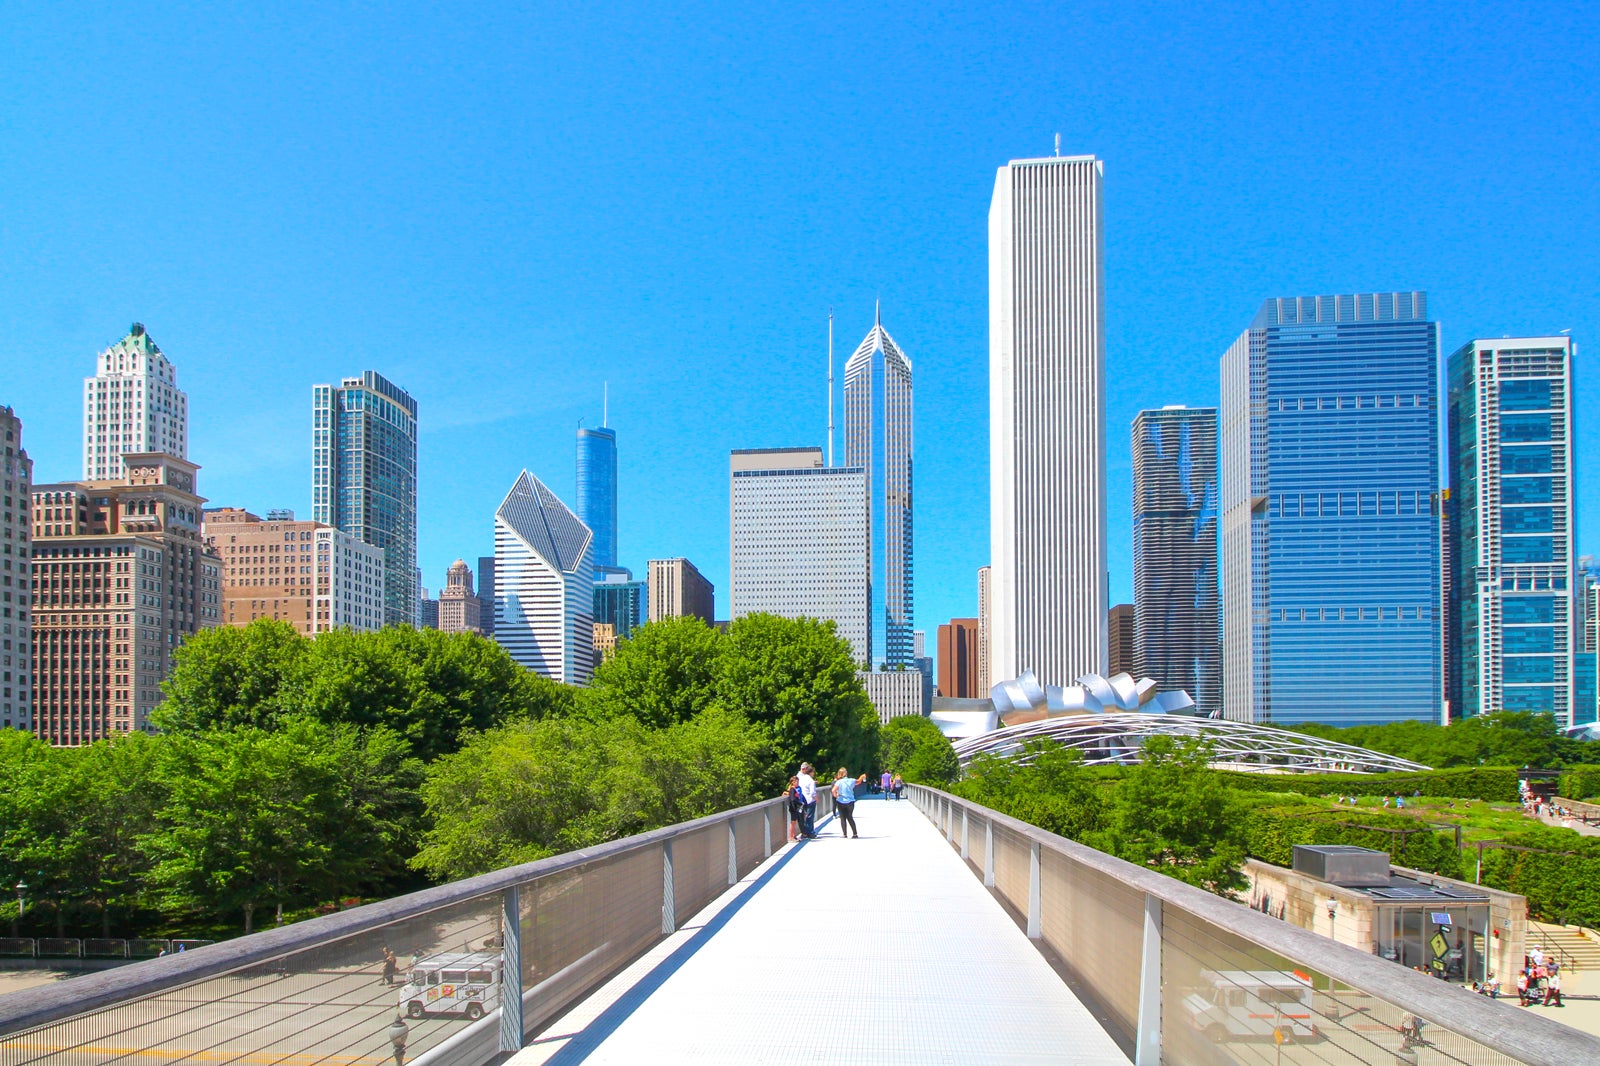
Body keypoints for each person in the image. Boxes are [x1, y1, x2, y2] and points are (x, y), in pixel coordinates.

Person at [832, 768, 859, 838]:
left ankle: (844, 834)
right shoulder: (852, 780)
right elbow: (858, 782)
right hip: (850, 801)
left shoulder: (838, 782)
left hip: (840, 801)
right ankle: (855, 833)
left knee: (842, 818)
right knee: (850, 817)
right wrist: (862, 777)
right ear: (846, 773)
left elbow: (833, 790)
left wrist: (836, 796)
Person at [797, 762, 818, 838]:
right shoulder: (810, 780)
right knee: (810, 817)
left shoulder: (800, 778)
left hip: (802, 800)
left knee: (803, 817)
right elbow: (813, 792)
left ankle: (804, 832)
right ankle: (810, 832)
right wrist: (816, 799)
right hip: (810, 800)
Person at [785, 776, 803, 841]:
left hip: (795, 807)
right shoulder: (792, 789)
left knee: (794, 822)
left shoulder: (794, 789)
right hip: (793, 808)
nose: (797, 783)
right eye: (795, 782)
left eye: (798, 781)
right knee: (793, 823)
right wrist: (799, 803)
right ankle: (791, 837)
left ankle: (793, 836)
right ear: (792, 782)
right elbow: (792, 799)